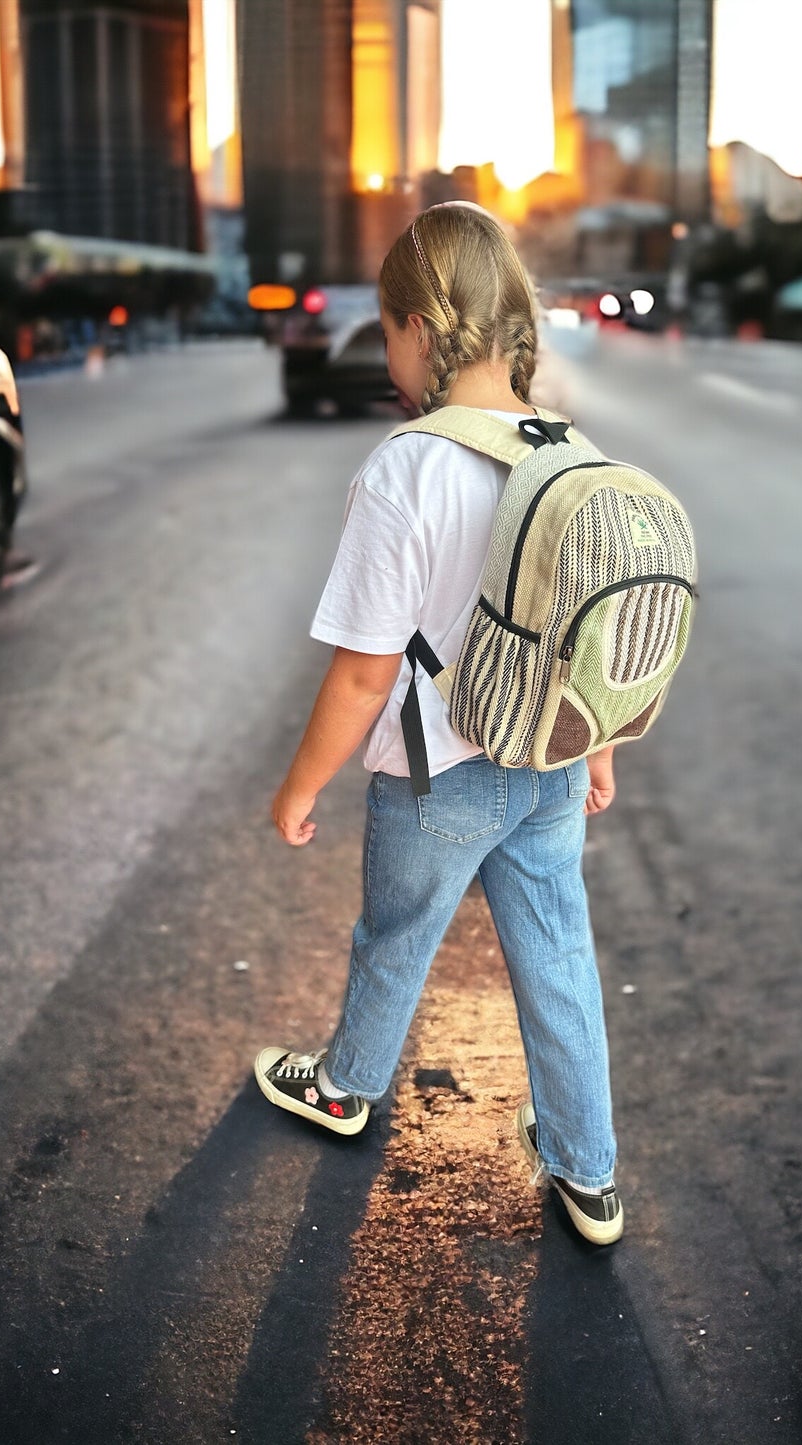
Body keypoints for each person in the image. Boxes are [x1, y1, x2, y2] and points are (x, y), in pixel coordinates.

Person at [253, 203, 623, 1246]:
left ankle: (345, 1087)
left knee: (394, 938)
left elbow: (368, 669)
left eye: (387, 328)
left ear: (418, 324)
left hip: (437, 773)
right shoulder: (568, 449)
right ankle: (587, 1171)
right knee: (555, 950)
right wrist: (591, 748)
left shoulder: (408, 466)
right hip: (547, 762)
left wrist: (299, 785)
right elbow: (580, 631)